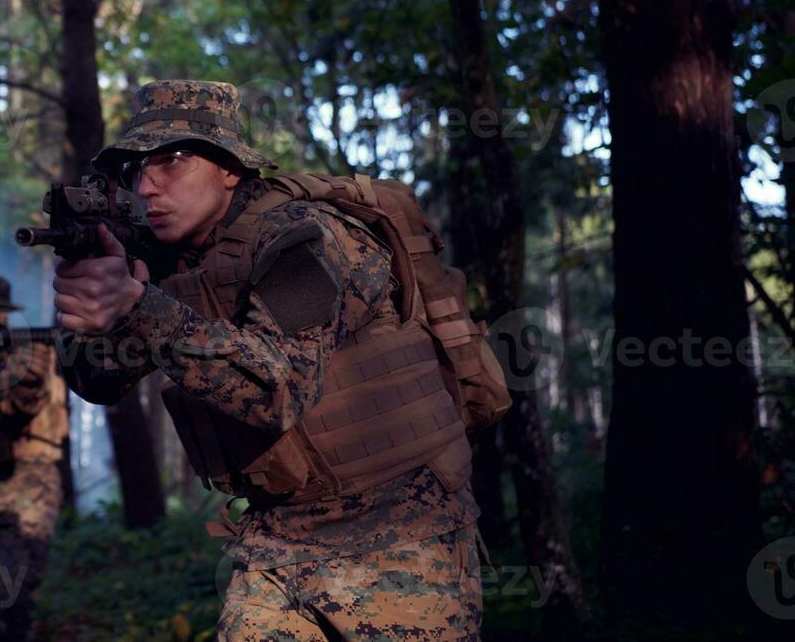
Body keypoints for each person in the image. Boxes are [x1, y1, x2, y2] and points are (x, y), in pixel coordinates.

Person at [56, 80, 488, 641]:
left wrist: (139, 304)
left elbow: (275, 390)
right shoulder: (174, 262)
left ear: (230, 169)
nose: (148, 186)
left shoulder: (305, 238)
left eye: (173, 161)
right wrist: (95, 296)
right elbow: (96, 380)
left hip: (399, 531)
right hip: (276, 540)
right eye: (135, 170)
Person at [0, 273, 66, 642]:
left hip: (29, 483)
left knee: (15, 592)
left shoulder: (34, 349)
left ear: (3, 314)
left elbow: (21, 404)